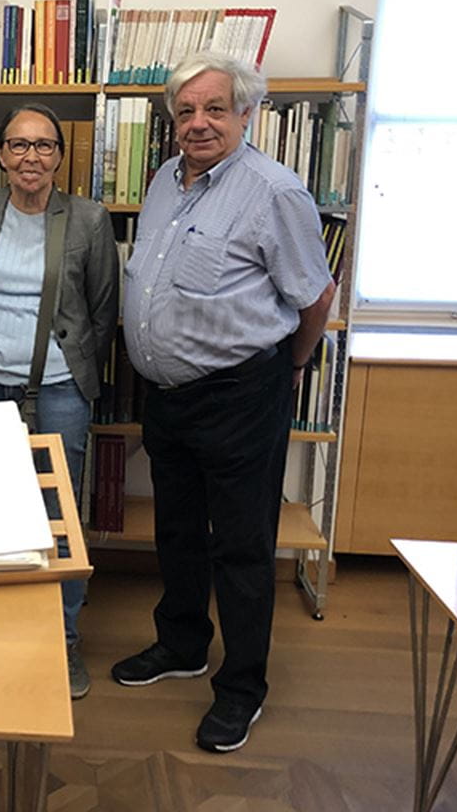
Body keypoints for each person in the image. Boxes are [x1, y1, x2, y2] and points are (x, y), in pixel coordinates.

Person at [110, 51, 335, 753]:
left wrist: (288, 368)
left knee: (240, 549)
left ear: (246, 113)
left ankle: (241, 688)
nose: (198, 123)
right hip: (169, 397)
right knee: (176, 531)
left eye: (214, 108)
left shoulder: (275, 191)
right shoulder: (163, 182)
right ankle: (181, 646)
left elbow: (315, 296)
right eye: (185, 111)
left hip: (241, 395)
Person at [0, 103, 118, 700]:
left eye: (44, 146)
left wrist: (70, 367)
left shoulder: (89, 220)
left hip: (60, 387)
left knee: (57, 517)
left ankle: (62, 637)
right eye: (18, 146)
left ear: (60, 157)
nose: (31, 158)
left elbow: (101, 311)